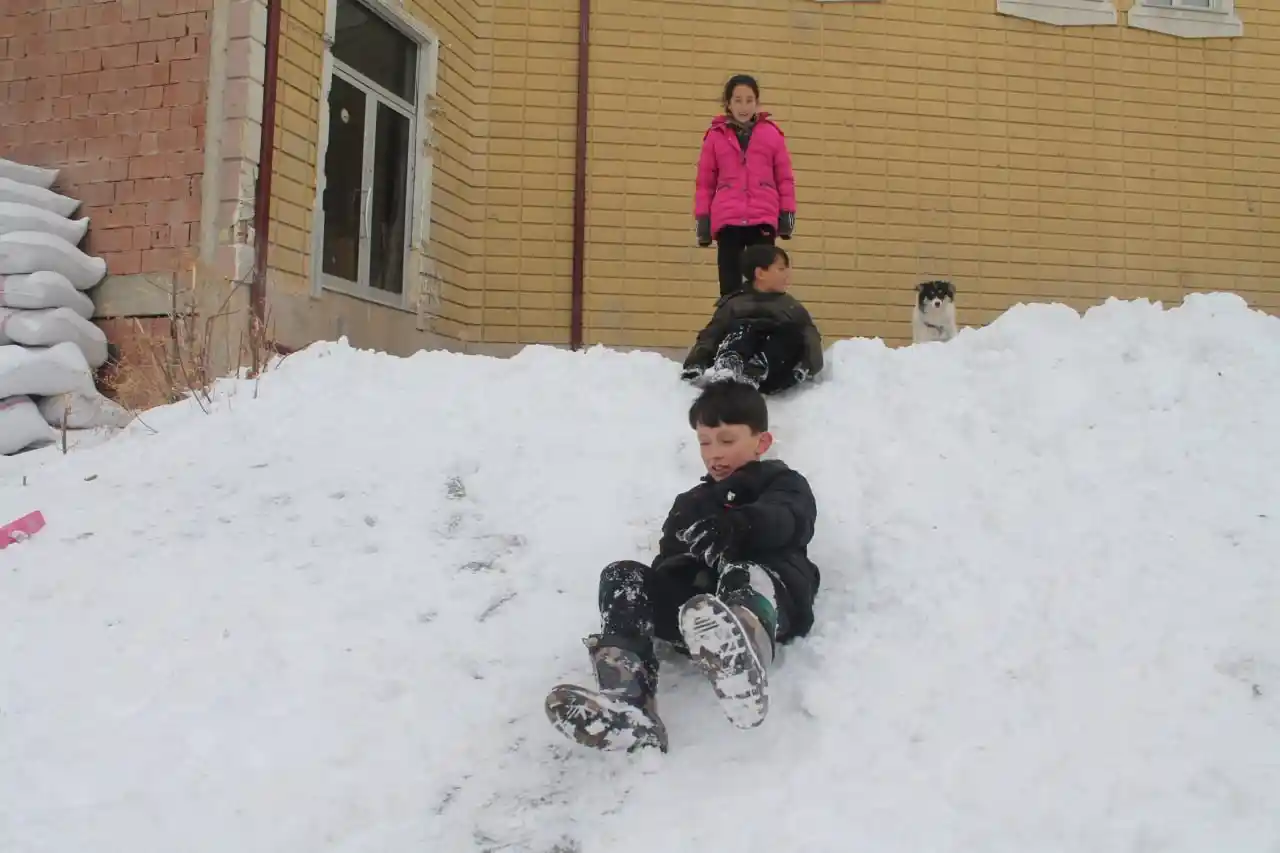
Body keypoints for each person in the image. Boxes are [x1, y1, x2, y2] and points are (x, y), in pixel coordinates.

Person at [544, 381, 821, 753]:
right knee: (623, 575)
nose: (713, 454)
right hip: (698, 614)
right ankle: (629, 703)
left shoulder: (781, 483)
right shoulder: (690, 502)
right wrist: (684, 570)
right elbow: (667, 560)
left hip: (770, 598)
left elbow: (789, 518)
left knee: (742, 570)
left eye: (726, 440)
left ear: (762, 442)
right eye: (704, 442)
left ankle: (744, 648)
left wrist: (739, 526)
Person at [694, 73, 798, 297]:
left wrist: (787, 213)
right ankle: (732, 328)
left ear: (757, 103)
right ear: (728, 104)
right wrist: (703, 220)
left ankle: (763, 327)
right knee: (730, 285)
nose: (744, 106)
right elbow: (705, 182)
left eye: (749, 100)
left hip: (762, 218)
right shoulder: (715, 136)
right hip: (728, 220)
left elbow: (784, 177)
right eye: (738, 100)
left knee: (763, 284)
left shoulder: (772, 135)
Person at [679, 243, 823, 394]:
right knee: (743, 329)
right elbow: (712, 334)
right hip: (741, 367)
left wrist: (806, 366)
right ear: (760, 273)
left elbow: (811, 338)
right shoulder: (735, 304)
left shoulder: (791, 307)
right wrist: (696, 362)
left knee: (790, 332)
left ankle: (757, 367)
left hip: (775, 372)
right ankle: (730, 365)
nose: (788, 274)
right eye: (781, 269)